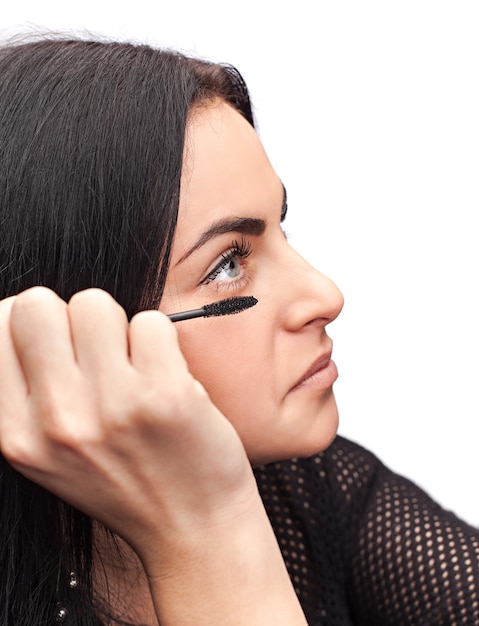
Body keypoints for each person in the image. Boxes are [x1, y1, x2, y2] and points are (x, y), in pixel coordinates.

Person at [0, 37, 477, 626]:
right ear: (66, 335)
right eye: (228, 263)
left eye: (282, 228)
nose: (326, 296)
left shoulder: (308, 493)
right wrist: (206, 531)